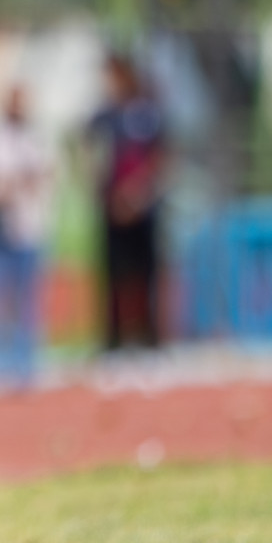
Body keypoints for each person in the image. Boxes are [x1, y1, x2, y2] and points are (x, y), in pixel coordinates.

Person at [0, 84, 54, 385]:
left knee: (24, 297)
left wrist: (11, 184)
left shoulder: (37, 141)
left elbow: (41, 179)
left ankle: (23, 362)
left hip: (25, 226)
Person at [88, 54, 166, 350]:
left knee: (145, 273)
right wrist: (102, 190)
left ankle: (148, 336)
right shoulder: (103, 116)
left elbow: (160, 158)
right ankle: (113, 339)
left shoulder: (147, 113)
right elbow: (88, 152)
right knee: (112, 275)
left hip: (142, 207)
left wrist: (137, 193)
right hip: (111, 207)